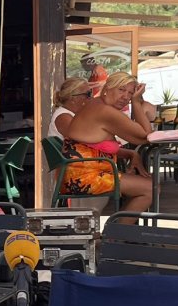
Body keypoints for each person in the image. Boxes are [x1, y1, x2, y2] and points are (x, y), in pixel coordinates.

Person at [60, 71, 153, 213]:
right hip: (84, 177)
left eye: (130, 93)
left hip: (78, 174)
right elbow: (146, 136)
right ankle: (118, 229)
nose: (125, 97)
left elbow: (139, 137)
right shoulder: (105, 111)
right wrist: (136, 101)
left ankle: (117, 228)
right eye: (121, 90)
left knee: (142, 184)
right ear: (108, 88)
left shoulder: (96, 104)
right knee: (150, 188)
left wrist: (131, 154)